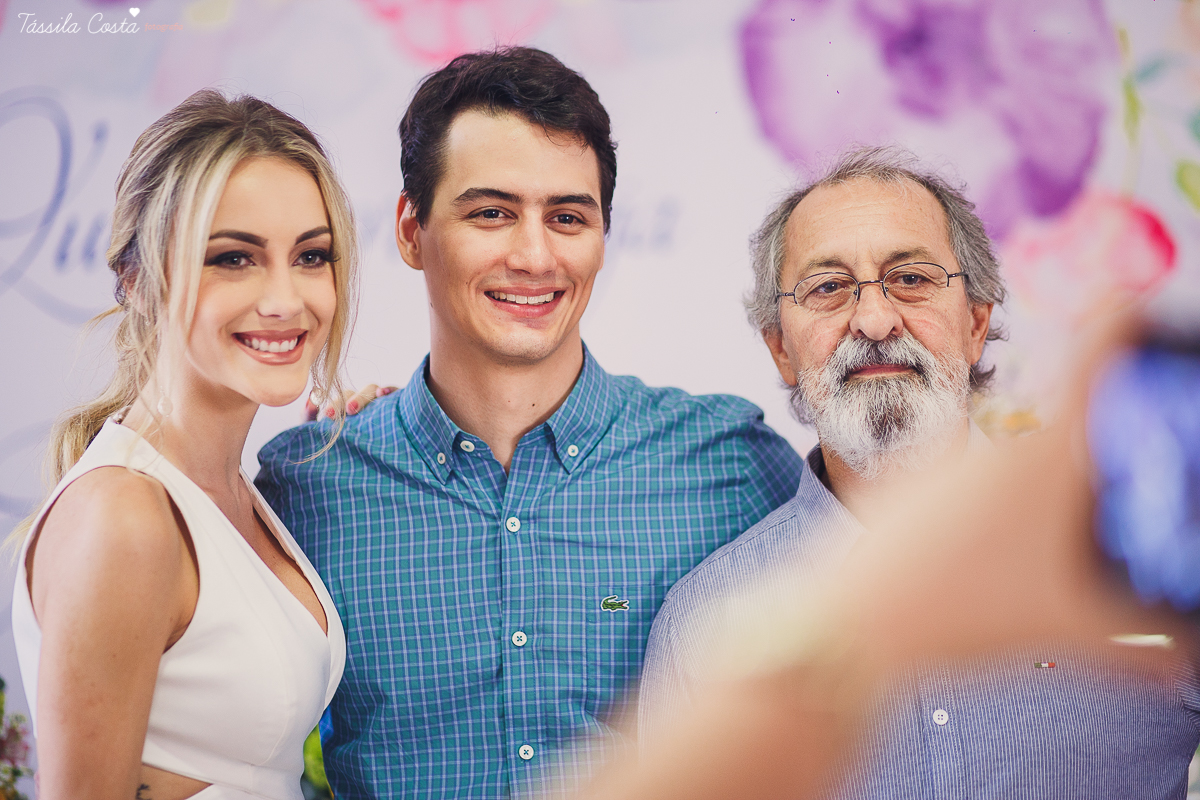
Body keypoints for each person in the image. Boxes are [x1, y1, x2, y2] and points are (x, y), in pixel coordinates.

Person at [254, 46, 803, 799]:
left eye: (568, 216)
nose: (535, 254)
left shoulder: (728, 463)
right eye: (491, 213)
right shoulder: (305, 484)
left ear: (605, 236)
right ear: (412, 232)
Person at [638, 147, 1200, 798]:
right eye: (828, 288)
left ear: (976, 323)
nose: (875, 320)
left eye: (911, 279)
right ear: (781, 349)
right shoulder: (700, 629)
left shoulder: (1147, 552)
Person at [11, 89, 358, 800]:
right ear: (138, 282)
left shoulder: (234, 493)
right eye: (234, 258)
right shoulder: (125, 516)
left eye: (312, 256)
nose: (286, 299)